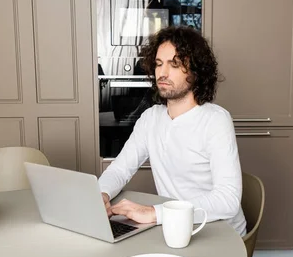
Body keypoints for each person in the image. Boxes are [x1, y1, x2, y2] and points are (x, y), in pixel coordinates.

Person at [98, 25, 247, 236]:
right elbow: (120, 169)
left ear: (195, 72)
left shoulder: (215, 120)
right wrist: (101, 194)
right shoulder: (151, 118)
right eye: (158, 64)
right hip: (176, 227)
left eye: (174, 65)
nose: (163, 73)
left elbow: (228, 200)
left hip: (220, 232)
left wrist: (154, 213)